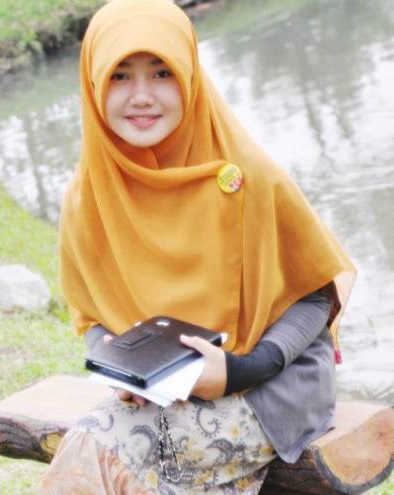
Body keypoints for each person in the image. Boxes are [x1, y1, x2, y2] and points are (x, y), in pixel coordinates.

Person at [41, 0, 356, 493]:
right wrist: (122, 368)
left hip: (271, 387)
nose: (141, 96)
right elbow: (93, 315)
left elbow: (316, 295)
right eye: (120, 76)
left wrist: (237, 371)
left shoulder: (248, 174)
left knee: (102, 452)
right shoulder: (89, 195)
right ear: (93, 83)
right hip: (160, 390)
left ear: (189, 75)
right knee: (104, 450)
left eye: (161, 72)